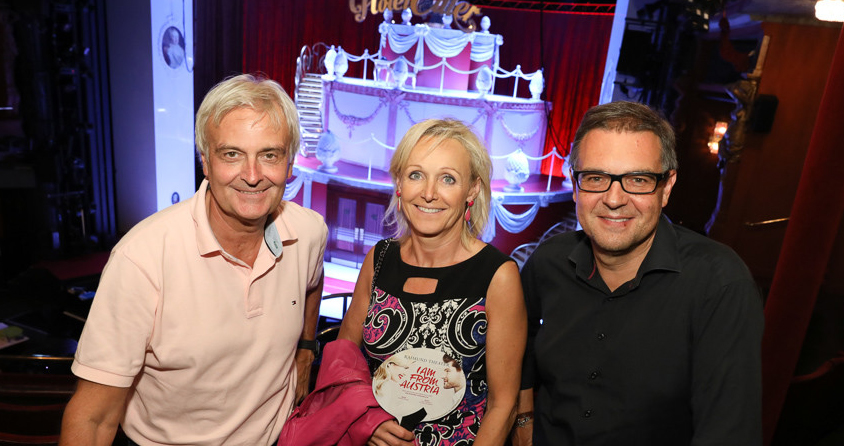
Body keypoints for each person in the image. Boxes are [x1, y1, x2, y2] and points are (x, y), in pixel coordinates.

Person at [59, 74, 327, 445]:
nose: (252, 176)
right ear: (205, 161)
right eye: (232, 154)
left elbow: (313, 281)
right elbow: (92, 418)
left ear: (290, 162)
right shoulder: (142, 259)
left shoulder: (308, 232)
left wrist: (306, 349)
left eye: (270, 155)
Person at [514, 101, 764, 446]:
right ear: (575, 185)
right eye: (596, 178)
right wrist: (523, 419)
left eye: (637, 180)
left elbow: (729, 432)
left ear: (667, 187)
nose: (614, 199)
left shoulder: (719, 284)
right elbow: (517, 343)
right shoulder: (548, 262)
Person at [337, 118, 527, 445]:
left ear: (472, 190)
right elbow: (343, 365)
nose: (428, 193)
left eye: (447, 179)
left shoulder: (498, 276)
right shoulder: (379, 259)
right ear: (399, 183)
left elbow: (503, 406)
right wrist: (365, 421)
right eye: (416, 175)